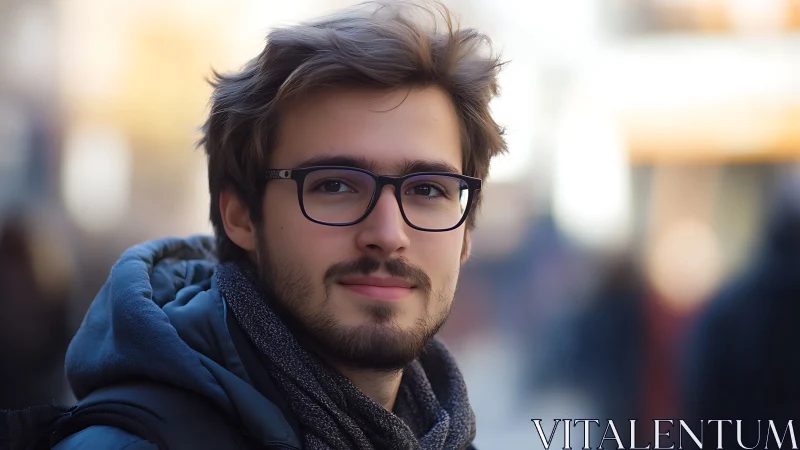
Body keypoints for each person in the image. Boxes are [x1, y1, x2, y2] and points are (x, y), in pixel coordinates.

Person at [53, 1, 506, 449]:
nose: (387, 235)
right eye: (334, 186)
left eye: (428, 190)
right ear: (241, 217)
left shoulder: (441, 434)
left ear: (466, 232)